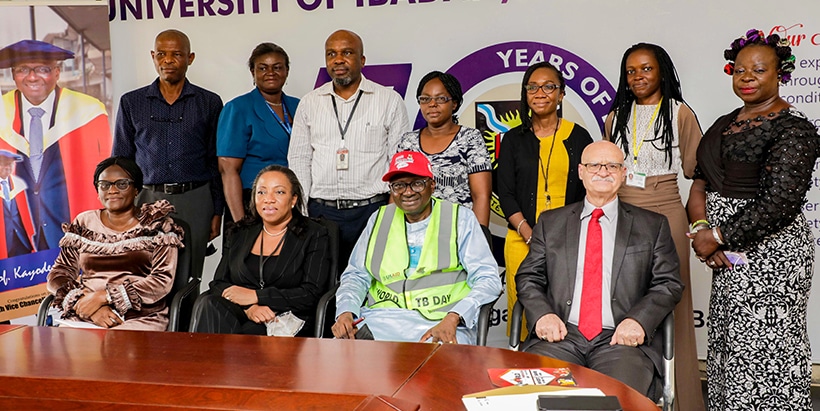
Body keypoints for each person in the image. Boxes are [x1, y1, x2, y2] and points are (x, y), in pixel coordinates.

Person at [687, 29, 819, 411]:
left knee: (766, 353)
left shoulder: (794, 129)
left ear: (780, 74)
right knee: (730, 348)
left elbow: (780, 201)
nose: (746, 77)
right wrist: (701, 231)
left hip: (772, 257)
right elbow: (700, 183)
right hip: (725, 252)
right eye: (740, 70)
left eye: (758, 70)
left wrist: (720, 235)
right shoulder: (724, 123)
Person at [516, 141, 682, 399]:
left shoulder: (652, 226)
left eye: (612, 166)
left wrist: (638, 320)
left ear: (624, 173)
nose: (603, 171)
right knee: (537, 397)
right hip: (560, 337)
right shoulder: (551, 222)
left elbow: (668, 283)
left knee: (615, 401)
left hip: (620, 341)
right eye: (595, 165)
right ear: (581, 171)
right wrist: (543, 315)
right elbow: (528, 277)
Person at [603, 43, 704, 411]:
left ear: (661, 70)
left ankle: (684, 401)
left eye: (646, 69)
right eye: (631, 71)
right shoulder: (614, 116)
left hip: (665, 207)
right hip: (622, 208)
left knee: (673, 300)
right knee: (623, 299)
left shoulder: (680, 113)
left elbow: (697, 170)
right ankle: (633, 396)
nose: (638, 77)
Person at [331, 151, 501, 344]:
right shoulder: (379, 219)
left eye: (417, 183)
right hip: (380, 322)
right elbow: (355, 275)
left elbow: (488, 279)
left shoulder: (460, 218)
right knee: (336, 357)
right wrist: (345, 312)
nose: (408, 192)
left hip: (440, 323)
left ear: (432, 185)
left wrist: (455, 316)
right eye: (399, 185)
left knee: (440, 369)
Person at [288, 29, 409, 268]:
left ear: (362, 60)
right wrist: (302, 211)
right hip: (321, 212)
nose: (338, 59)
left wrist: (391, 212)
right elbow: (300, 158)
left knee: (373, 282)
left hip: (372, 210)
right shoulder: (310, 103)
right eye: (331, 54)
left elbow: (399, 159)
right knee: (322, 284)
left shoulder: (388, 100)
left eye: (347, 53)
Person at [113, 29, 223, 281]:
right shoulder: (132, 102)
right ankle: (154, 323)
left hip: (196, 199)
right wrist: (121, 210)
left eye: (176, 54)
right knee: (145, 274)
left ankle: (187, 322)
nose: (168, 60)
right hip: (147, 200)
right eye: (161, 54)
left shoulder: (209, 102)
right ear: (153, 56)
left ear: (190, 58)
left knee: (190, 275)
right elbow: (121, 160)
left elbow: (215, 161)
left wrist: (217, 210)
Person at [496, 62, 593, 338]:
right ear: (525, 94)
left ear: (561, 94)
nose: (540, 93)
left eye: (549, 86)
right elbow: (505, 193)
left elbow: (590, 190)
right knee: (525, 315)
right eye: (532, 87)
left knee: (565, 312)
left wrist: (564, 236)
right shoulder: (513, 139)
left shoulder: (578, 136)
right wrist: (528, 234)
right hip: (521, 240)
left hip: (569, 242)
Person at [46, 157, 183, 331]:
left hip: (139, 317)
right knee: (59, 352)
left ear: (136, 190)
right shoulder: (84, 222)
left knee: (114, 352)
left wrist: (105, 297)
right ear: (97, 190)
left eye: (122, 184)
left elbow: (161, 281)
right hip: (86, 314)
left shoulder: (157, 225)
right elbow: (59, 273)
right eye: (105, 184)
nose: (112, 190)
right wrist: (90, 308)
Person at [193, 165, 332, 336]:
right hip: (242, 312)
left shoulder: (314, 234)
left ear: (294, 199)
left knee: (245, 333)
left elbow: (311, 294)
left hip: (284, 318)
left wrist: (257, 296)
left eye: (279, 192)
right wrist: (249, 308)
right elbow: (219, 284)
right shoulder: (239, 232)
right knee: (208, 302)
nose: (269, 199)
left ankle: (213, 362)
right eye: (261, 192)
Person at [0, 39, 112, 251]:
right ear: (13, 74)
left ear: (57, 72)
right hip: (16, 238)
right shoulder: (1, 114)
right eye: (23, 69)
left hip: (71, 233)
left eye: (42, 69)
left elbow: (105, 177)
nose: (32, 77)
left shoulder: (88, 112)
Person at [396, 71, 492, 226]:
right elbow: (398, 191)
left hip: (458, 230)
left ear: (454, 103)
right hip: (415, 231)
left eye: (440, 98)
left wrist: (479, 238)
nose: (432, 104)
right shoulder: (408, 142)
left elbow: (481, 196)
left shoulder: (470, 138)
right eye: (425, 99)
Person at [217, 43, 299, 224]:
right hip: (254, 202)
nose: (271, 72)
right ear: (253, 72)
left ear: (287, 71)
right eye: (263, 68)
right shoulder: (238, 108)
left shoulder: (299, 106)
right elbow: (228, 169)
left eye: (277, 67)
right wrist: (240, 222)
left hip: (291, 201)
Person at [0, 150, 33, 257]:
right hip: (3, 242)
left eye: (10, 164)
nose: (8, 167)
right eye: (4, 164)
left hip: (22, 239)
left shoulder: (19, 185)